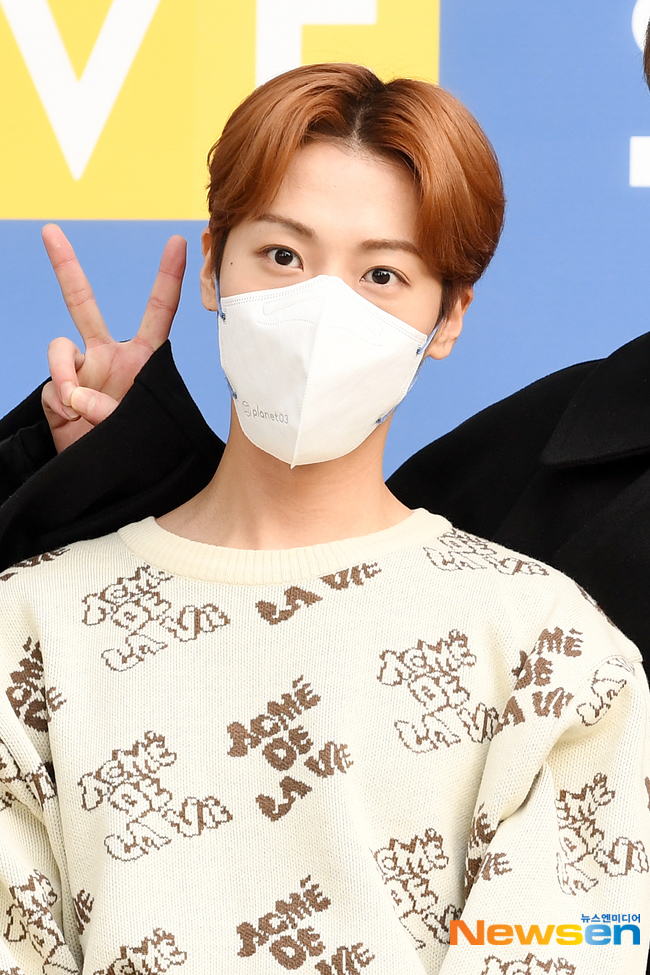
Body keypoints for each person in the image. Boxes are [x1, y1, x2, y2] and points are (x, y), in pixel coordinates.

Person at [0, 63, 648, 975]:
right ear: (214, 266)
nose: (320, 308)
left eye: (382, 273)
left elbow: (568, 950)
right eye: (283, 256)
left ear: (448, 317)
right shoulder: (28, 622)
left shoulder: (553, 647)